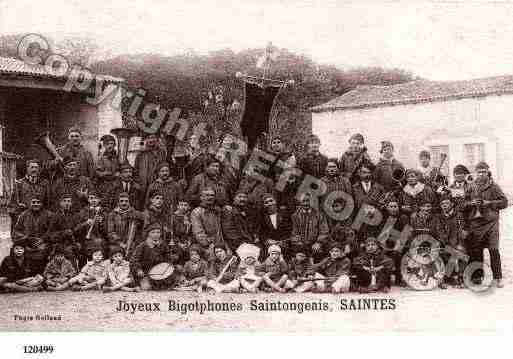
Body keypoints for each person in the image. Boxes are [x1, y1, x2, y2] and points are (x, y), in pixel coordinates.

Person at [465, 161, 508, 288]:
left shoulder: (494, 186)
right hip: (476, 224)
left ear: (487, 172)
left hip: (491, 224)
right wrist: (471, 203)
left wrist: (489, 203)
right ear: (476, 173)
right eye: (479, 172)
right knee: (476, 251)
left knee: (494, 250)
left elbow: (504, 202)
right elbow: (463, 204)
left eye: (483, 172)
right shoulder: (471, 186)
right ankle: (478, 277)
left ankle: (497, 278)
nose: (481, 174)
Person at [13, 195, 54, 274]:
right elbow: (16, 230)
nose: (36, 204)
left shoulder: (49, 215)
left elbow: (53, 230)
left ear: (42, 204)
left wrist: (43, 239)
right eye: (33, 202)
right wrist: (25, 237)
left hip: (44, 243)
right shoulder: (24, 215)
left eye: (38, 202)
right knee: (19, 252)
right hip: (27, 243)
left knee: (42, 253)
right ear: (30, 203)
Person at [8, 159, 50, 235]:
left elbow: (48, 203)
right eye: (32, 167)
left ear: (39, 169)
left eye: (36, 167)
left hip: (40, 220)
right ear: (27, 168)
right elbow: (12, 206)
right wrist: (19, 211)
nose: (34, 170)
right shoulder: (19, 184)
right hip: (25, 221)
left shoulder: (45, 184)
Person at [130, 224, 177, 291]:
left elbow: (167, 256)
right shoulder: (142, 246)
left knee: (176, 271)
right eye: (153, 232)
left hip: (159, 271)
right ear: (148, 234)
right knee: (146, 287)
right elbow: (133, 260)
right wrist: (138, 270)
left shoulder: (163, 245)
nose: (156, 234)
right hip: (145, 271)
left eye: (158, 232)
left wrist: (172, 257)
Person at [290, 192, 330, 263]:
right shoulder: (295, 216)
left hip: (315, 245)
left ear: (311, 201)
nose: (305, 203)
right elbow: (294, 233)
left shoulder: (319, 215)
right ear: (300, 202)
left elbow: (324, 232)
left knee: (319, 256)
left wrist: (319, 242)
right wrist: (299, 244)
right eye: (303, 201)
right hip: (301, 245)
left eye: (307, 201)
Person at [438, 193, 468, 288]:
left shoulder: (459, 215)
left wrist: (459, 242)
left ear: (452, 204)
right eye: (442, 204)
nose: (445, 205)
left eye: (447, 203)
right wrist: (445, 241)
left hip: (458, 242)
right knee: (444, 252)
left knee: (461, 252)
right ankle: (448, 276)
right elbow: (439, 231)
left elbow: (462, 229)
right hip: (446, 243)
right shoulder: (440, 217)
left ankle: (461, 276)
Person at [49, 193, 82, 268]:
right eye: (65, 201)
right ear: (60, 203)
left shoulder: (74, 215)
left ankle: (78, 272)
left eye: (69, 201)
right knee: (68, 251)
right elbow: (51, 234)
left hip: (72, 242)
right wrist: (63, 233)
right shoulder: (55, 216)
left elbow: (78, 231)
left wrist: (77, 240)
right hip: (59, 243)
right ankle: (72, 273)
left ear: (71, 203)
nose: (67, 203)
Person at [190, 188, 224, 260]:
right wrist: (209, 244)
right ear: (201, 197)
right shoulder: (196, 212)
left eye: (212, 195)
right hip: (205, 246)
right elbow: (198, 233)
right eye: (207, 195)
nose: (210, 197)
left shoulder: (217, 210)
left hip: (220, 243)